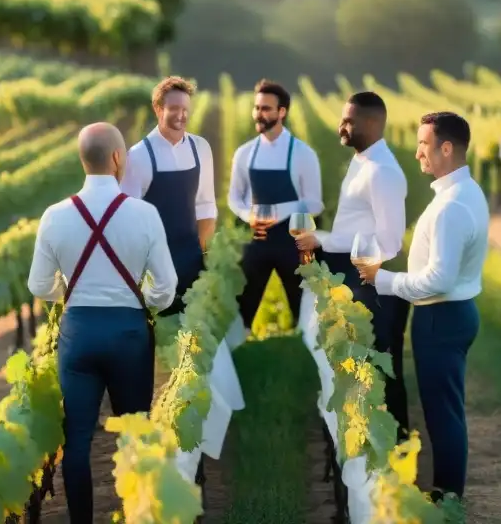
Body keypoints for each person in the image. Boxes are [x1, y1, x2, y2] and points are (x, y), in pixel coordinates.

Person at [29, 122, 177, 524]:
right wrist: (134, 299)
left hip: (78, 333)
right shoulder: (144, 214)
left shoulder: (54, 215)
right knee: (134, 434)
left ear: (82, 158)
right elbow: (166, 288)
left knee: (76, 441)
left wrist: (75, 296)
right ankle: (136, 514)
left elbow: (39, 285)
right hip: (129, 333)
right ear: (116, 158)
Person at [359, 111, 488, 502]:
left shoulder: (451, 207)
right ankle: (449, 493)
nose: (417, 153)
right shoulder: (468, 192)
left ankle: (449, 499)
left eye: (422, 145)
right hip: (452, 314)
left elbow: (439, 279)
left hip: (440, 316)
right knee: (446, 409)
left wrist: (382, 279)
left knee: (443, 414)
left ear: (446, 148)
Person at [292, 92, 410, 436]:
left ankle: (396, 448)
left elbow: (389, 243)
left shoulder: (383, 172)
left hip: (377, 286)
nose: (341, 126)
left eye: (349, 121)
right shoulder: (362, 162)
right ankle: (361, 442)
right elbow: (356, 227)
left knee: (383, 369)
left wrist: (323, 240)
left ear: (371, 124)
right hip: (355, 276)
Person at [229, 79, 323, 328]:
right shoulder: (244, 153)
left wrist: (278, 212)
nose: (259, 114)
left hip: (292, 243)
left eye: (266, 108)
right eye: (257, 108)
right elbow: (234, 198)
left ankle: (312, 359)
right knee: (239, 310)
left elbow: (315, 204)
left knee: (306, 311)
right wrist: (248, 216)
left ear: (282, 112)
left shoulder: (303, 154)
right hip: (255, 240)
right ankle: (236, 358)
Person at [120, 76, 216, 315]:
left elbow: (206, 206)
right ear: (158, 109)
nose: (181, 116)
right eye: (174, 109)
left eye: (185, 109)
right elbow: (128, 220)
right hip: (154, 270)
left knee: (194, 337)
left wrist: (203, 257)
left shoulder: (201, 148)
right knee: (158, 339)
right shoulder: (139, 156)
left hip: (192, 263)